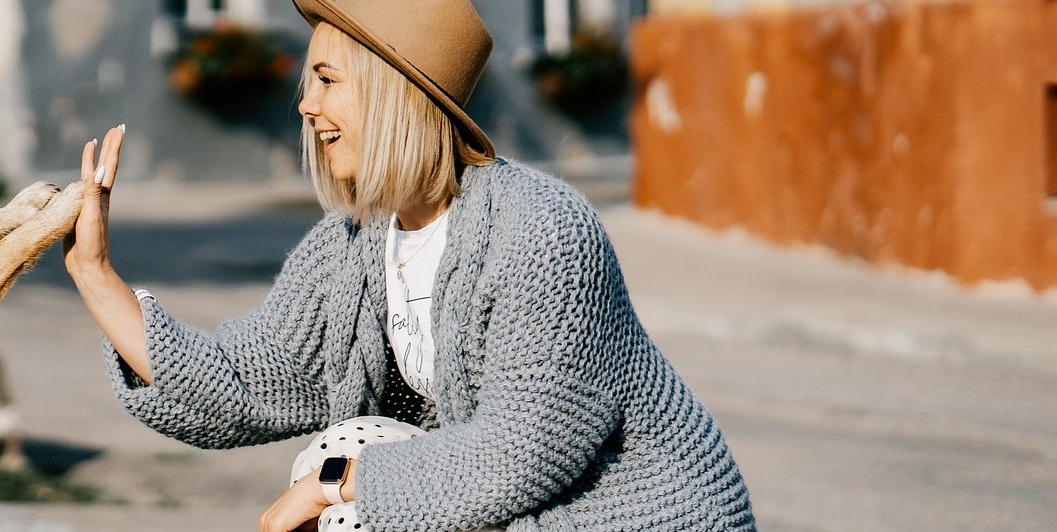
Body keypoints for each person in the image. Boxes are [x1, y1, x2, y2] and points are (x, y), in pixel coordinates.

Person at [60, 0, 756, 530]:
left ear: (393, 88)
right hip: (527, 506)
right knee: (344, 453)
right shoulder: (355, 244)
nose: (306, 104)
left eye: (328, 79)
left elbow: (517, 454)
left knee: (348, 490)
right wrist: (96, 273)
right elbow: (242, 384)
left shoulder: (542, 231)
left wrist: (335, 482)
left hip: (638, 513)